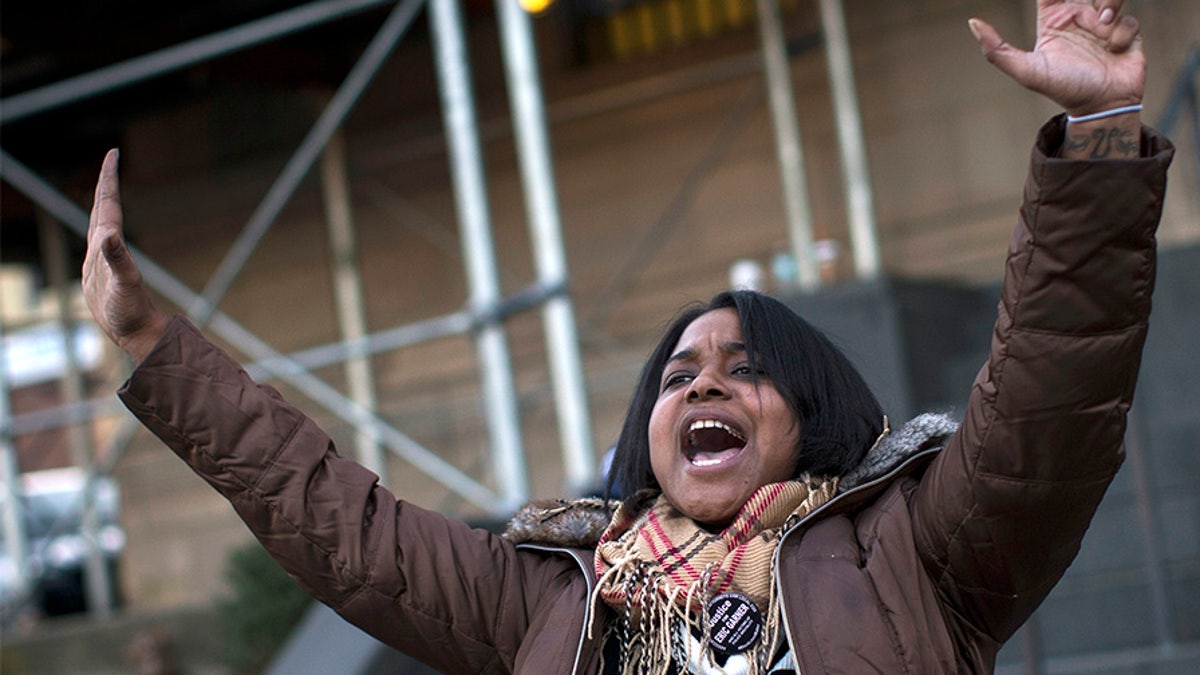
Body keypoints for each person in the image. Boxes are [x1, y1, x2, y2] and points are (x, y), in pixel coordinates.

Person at [83, 1, 1173, 672]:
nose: (704, 387)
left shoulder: (921, 555)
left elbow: (1047, 404)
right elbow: (333, 519)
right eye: (676, 375)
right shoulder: (546, 601)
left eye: (748, 371)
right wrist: (153, 348)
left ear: (815, 417)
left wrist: (1095, 138)